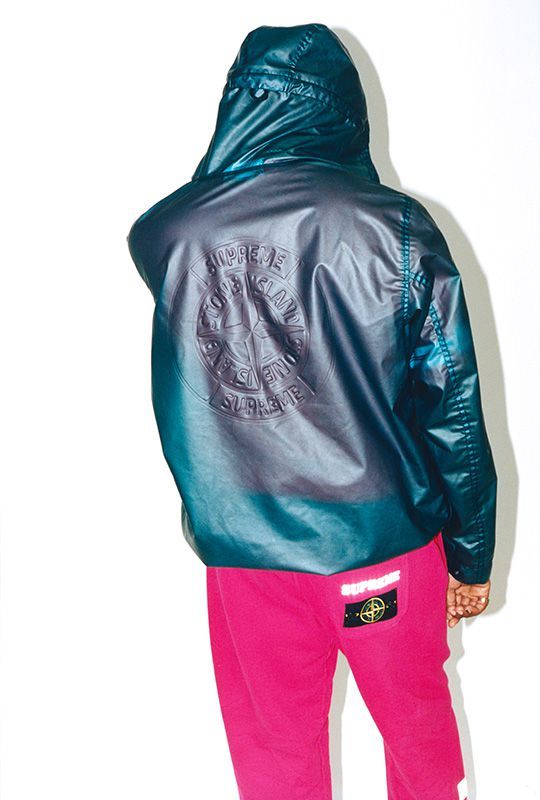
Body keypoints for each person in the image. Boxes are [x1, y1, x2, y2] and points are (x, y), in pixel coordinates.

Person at [127, 22, 497, 800]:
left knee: (275, 768)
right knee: (420, 752)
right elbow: (454, 410)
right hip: (383, 550)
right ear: (345, 109)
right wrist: (469, 557)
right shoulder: (396, 228)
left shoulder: (174, 232)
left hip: (246, 552)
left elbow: (156, 231)